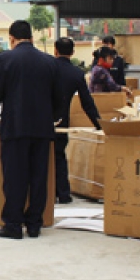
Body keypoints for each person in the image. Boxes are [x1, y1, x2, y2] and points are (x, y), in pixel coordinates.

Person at [0, 20, 64, 240]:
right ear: (32, 37)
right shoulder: (49, 62)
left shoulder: (5, 59)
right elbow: (58, 96)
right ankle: (35, 224)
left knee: (15, 177)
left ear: (11, 38)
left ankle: (13, 224)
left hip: (16, 127)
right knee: (38, 177)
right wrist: (53, 118)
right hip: (42, 128)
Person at [53, 37, 102, 204]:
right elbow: (86, 102)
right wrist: (99, 124)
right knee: (59, 155)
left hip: (41, 119)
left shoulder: (47, 68)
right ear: (73, 53)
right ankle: (63, 194)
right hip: (62, 121)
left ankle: (47, 192)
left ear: (55, 50)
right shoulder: (76, 74)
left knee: (42, 157)